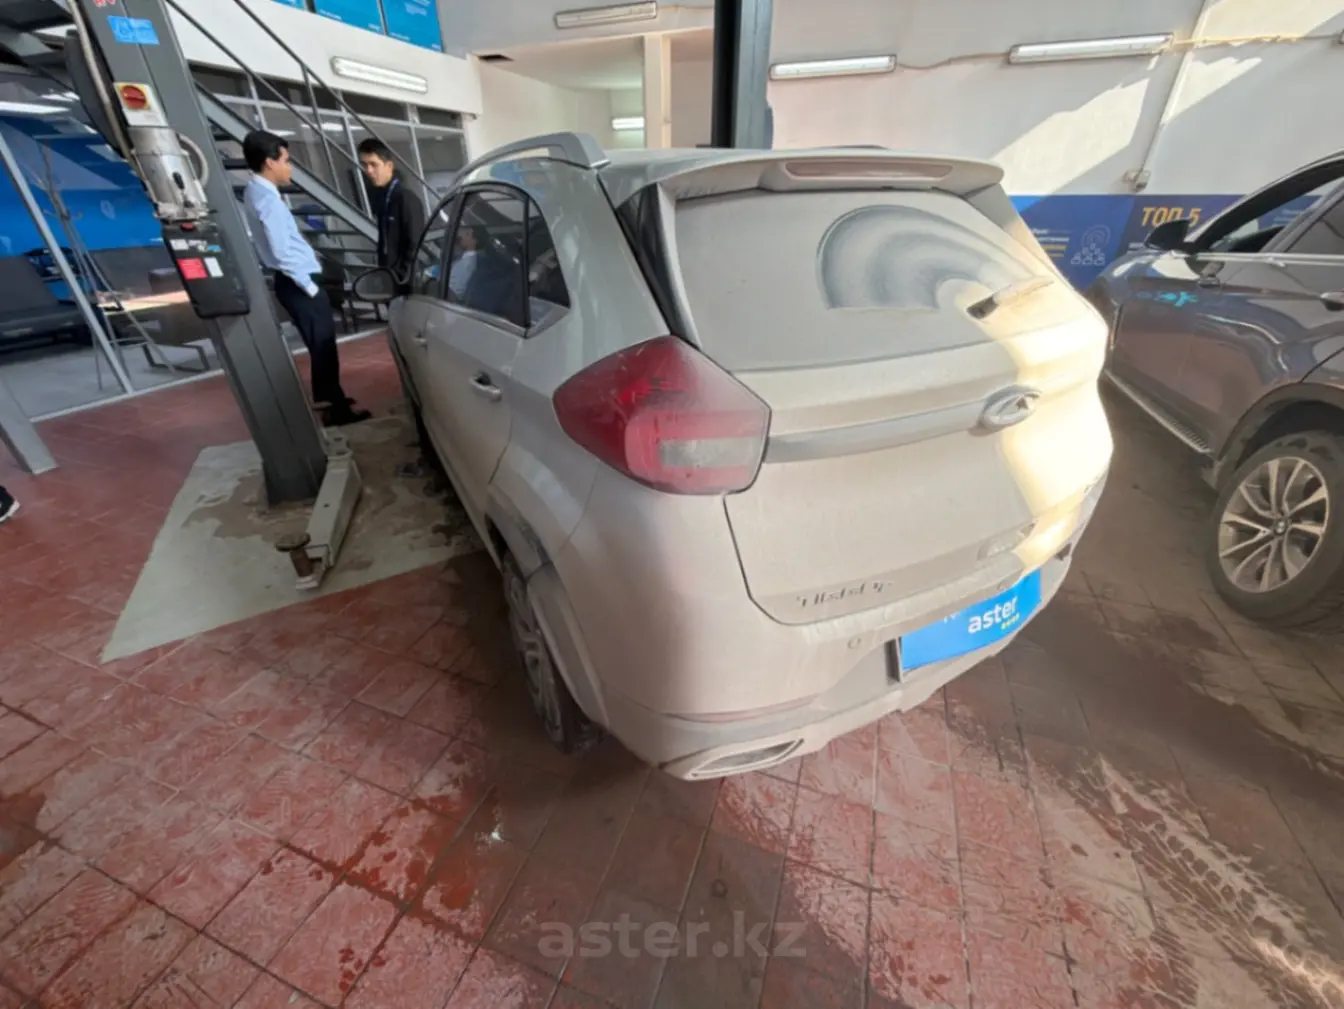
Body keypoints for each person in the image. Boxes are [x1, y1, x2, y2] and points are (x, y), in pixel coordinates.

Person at [241, 130, 369, 426]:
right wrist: (310, 287)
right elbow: (281, 250)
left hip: (293, 282)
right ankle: (335, 410)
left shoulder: (256, 191)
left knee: (320, 346)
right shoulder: (267, 199)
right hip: (299, 283)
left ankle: (332, 398)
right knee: (323, 347)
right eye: (286, 160)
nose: (290, 167)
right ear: (270, 162)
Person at [357, 139, 425, 285]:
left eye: (374, 164)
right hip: (388, 278)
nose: (368, 171)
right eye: (364, 165)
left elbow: (414, 245)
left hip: (404, 283)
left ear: (389, 166)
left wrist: (400, 279)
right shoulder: (381, 196)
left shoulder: (406, 199)